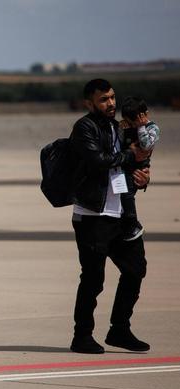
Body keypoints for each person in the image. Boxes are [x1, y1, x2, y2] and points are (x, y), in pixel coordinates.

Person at [68, 79, 152, 354]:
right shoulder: (84, 128)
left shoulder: (119, 128)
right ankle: (82, 336)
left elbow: (131, 163)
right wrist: (129, 157)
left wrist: (141, 178)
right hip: (93, 215)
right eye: (104, 99)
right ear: (89, 103)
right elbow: (98, 161)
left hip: (123, 213)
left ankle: (119, 330)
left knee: (135, 269)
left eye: (113, 97)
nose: (111, 103)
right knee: (93, 278)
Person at [119, 96, 161, 241]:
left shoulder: (152, 128)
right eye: (128, 122)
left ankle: (132, 224)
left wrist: (141, 127)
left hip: (138, 168)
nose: (130, 125)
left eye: (133, 122)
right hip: (125, 164)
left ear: (145, 115)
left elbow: (146, 145)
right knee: (123, 194)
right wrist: (122, 128)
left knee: (127, 194)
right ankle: (127, 222)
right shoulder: (125, 126)